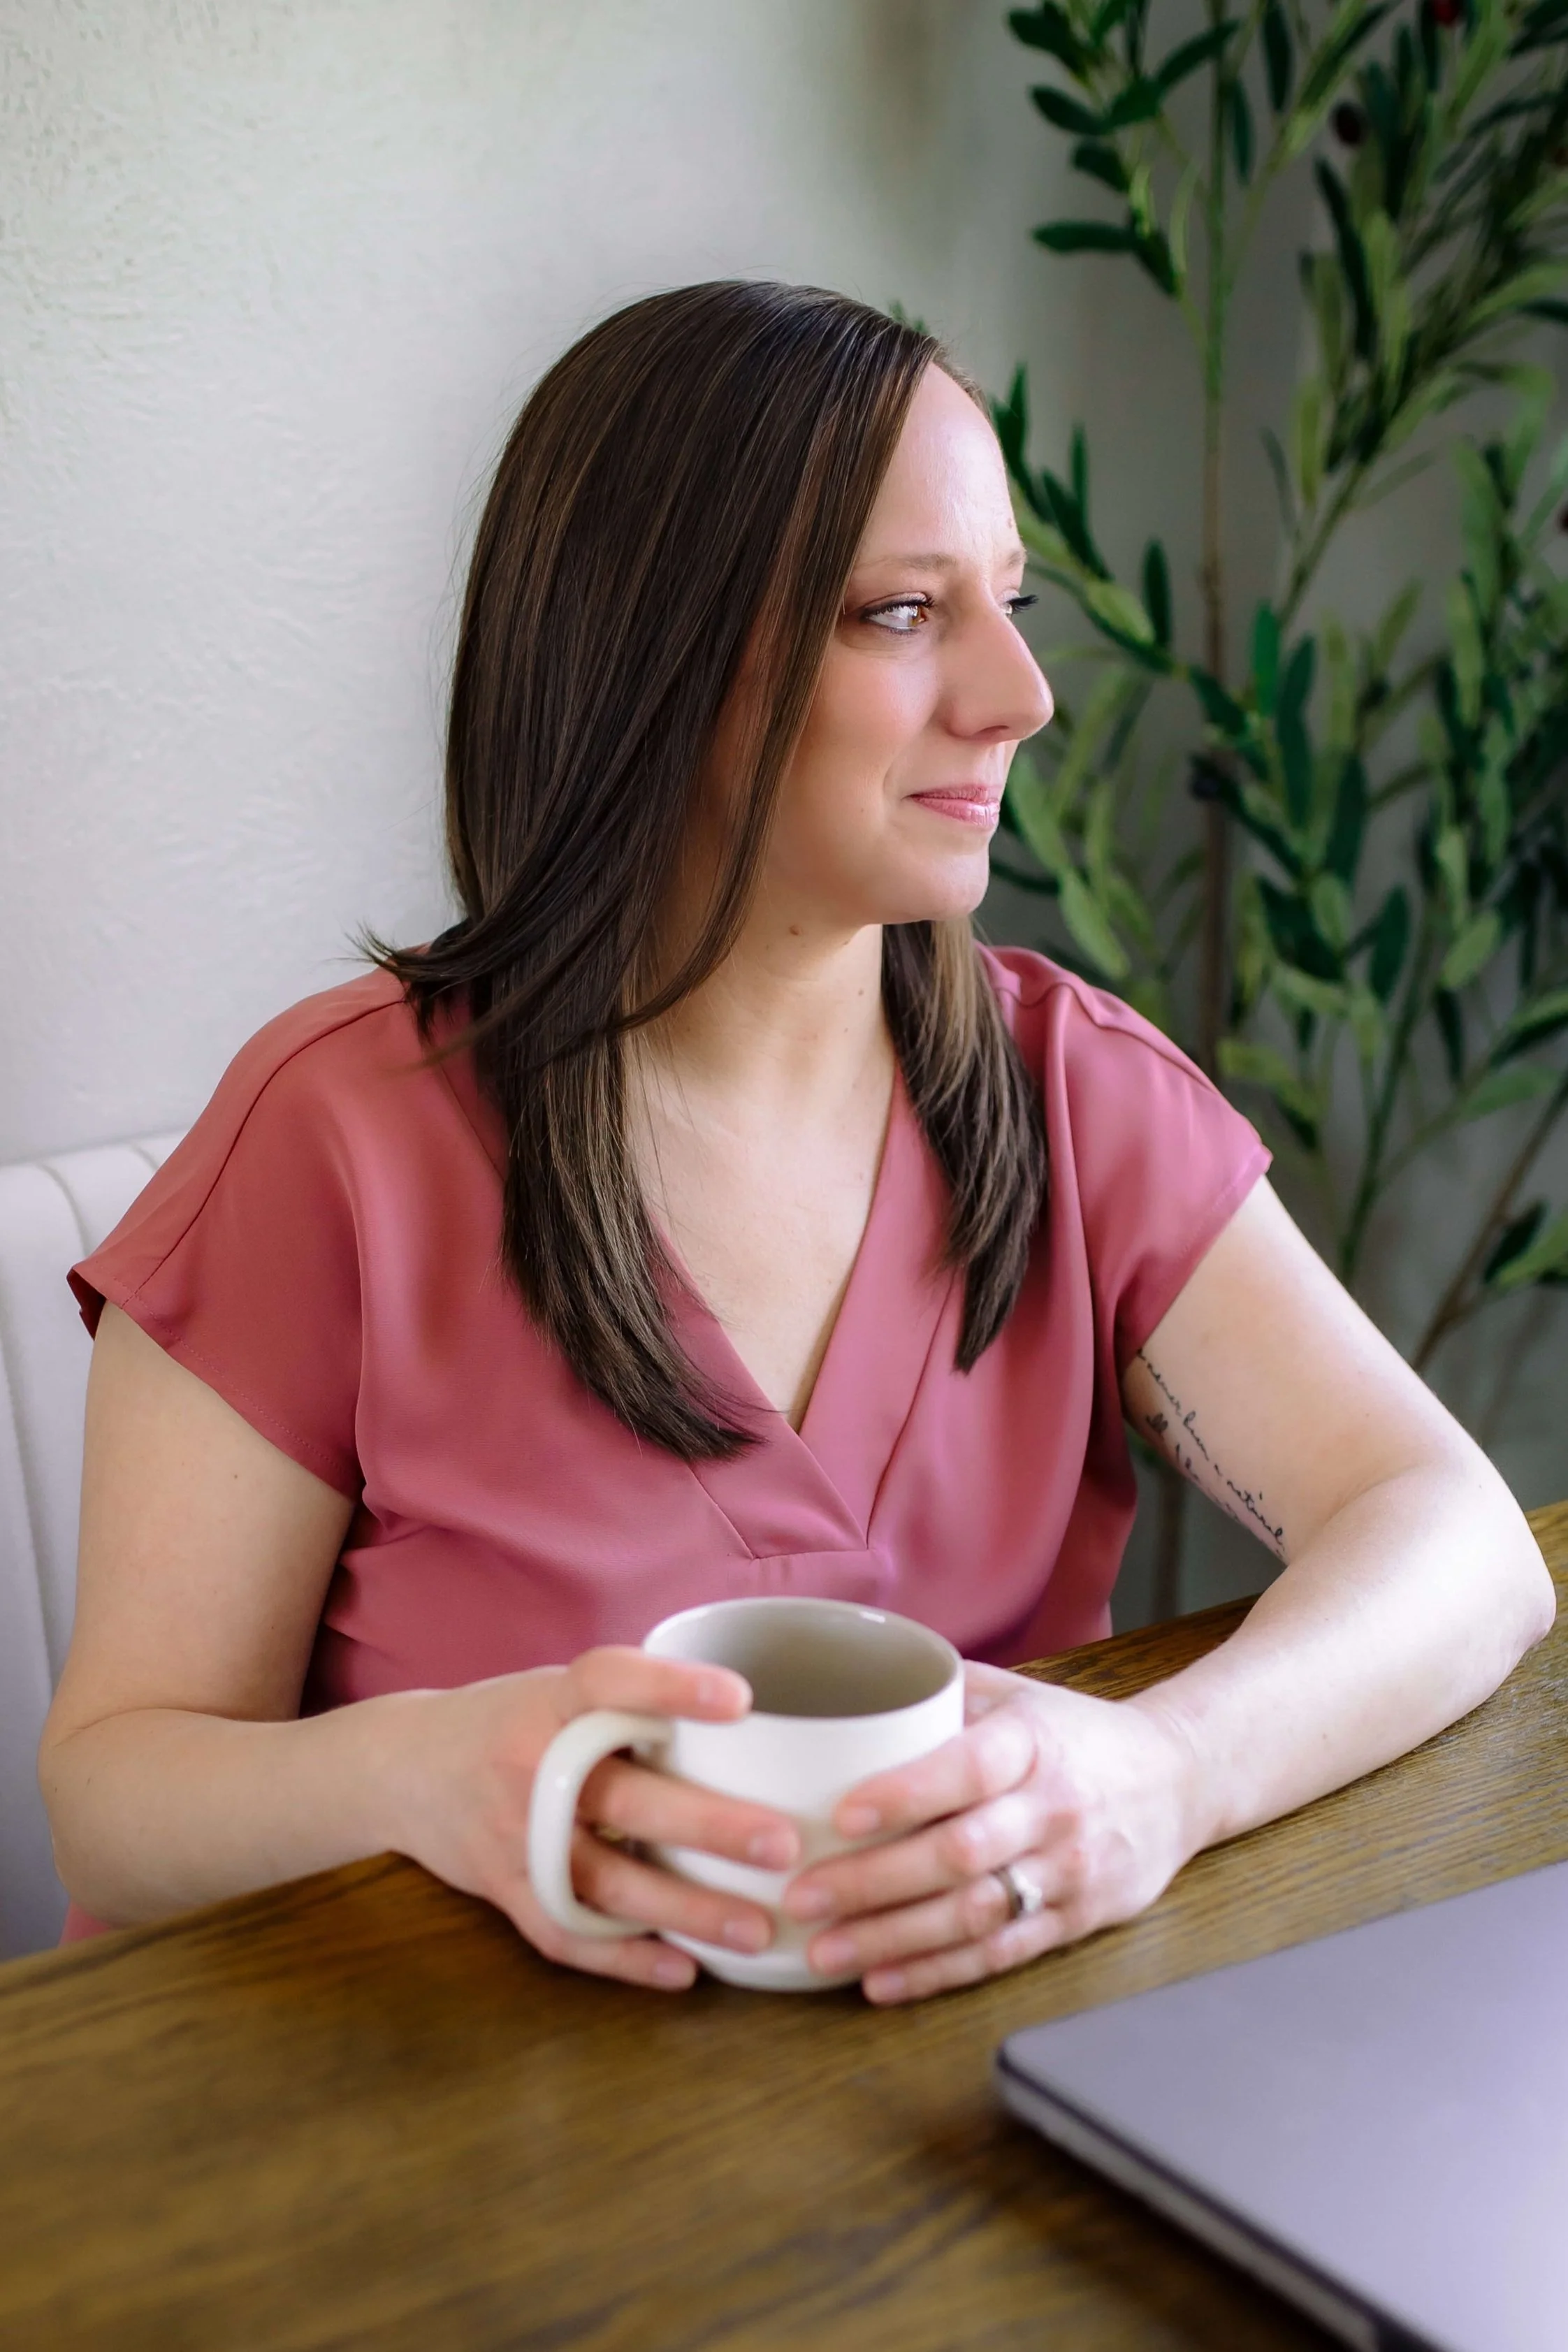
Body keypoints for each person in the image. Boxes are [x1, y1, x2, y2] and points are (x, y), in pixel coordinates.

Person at [39, 282, 1553, 2005]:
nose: (1023, 694)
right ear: (651, 662)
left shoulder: (1078, 1095)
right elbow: (116, 1802)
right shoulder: (332, 1143)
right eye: (906, 612)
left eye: (1011, 603)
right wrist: (422, 1773)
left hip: (938, 2136)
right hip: (419, 2150)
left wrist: (1169, 1774)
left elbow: (1457, 1542)